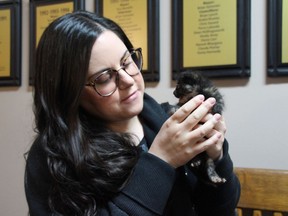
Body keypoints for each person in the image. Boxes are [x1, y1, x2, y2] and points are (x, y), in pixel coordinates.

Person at [24, 10, 240, 216]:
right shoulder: (51, 158)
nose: (128, 80)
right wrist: (161, 161)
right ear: (69, 93)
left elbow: (219, 209)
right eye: (104, 78)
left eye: (127, 61)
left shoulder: (164, 119)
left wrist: (215, 157)